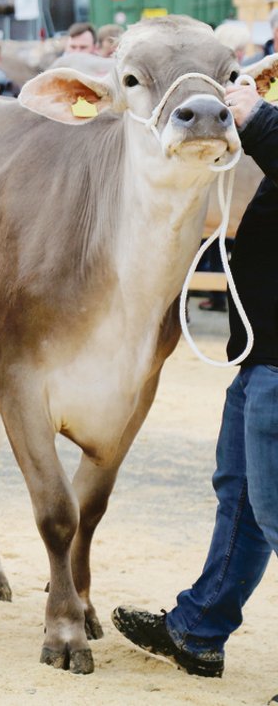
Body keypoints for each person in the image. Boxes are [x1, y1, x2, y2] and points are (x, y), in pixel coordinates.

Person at [110, 75, 278, 706]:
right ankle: (199, 629)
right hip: (264, 356)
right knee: (241, 497)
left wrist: (258, 117)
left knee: (275, 510)